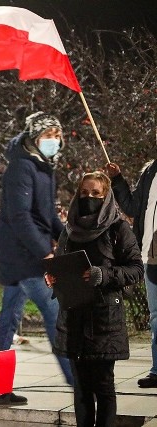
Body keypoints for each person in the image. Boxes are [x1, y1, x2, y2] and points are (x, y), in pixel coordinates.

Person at [48, 171, 143, 426]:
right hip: (74, 318)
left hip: (104, 320)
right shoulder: (69, 231)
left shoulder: (118, 228)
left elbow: (136, 269)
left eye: (96, 194)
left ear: (107, 196)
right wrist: (53, 279)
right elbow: (61, 266)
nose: (89, 198)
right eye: (84, 193)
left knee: (103, 387)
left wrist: (104, 275)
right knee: (81, 390)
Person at [0, 112, 74, 404]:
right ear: (34, 137)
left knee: (8, 321)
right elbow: (20, 216)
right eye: (47, 135)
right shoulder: (22, 167)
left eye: (56, 134)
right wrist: (46, 252)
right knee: (56, 315)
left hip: (27, 251)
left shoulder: (43, 167)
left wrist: (70, 241)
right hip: (21, 255)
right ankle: (80, 387)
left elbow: (49, 216)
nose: (53, 140)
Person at [107, 160, 157, 388]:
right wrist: (117, 180)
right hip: (151, 255)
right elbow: (133, 207)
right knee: (156, 317)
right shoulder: (150, 171)